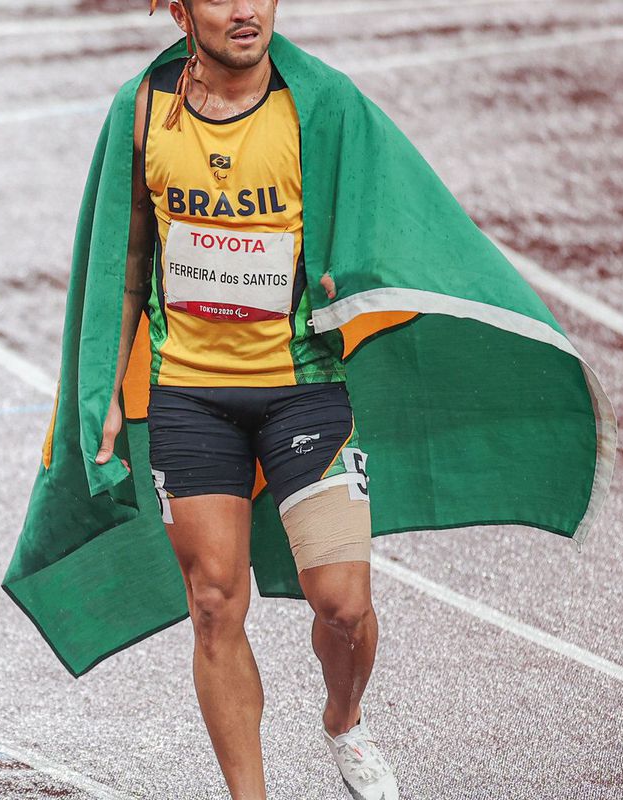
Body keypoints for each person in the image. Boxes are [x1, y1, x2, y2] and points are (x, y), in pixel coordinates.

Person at [91, 1, 397, 797]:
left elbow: (388, 217)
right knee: (213, 605)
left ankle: (343, 719)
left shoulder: (319, 104)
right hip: (190, 393)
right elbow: (128, 259)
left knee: (343, 605)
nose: (245, 9)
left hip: (302, 387)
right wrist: (106, 389)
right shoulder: (146, 108)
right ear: (180, 12)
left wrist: (347, 269)